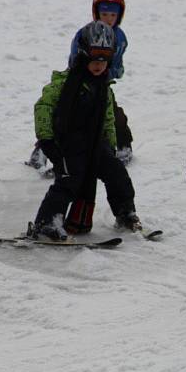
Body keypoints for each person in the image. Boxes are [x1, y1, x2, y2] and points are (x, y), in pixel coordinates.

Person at [30, 21, 142, 241]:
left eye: (104, 60)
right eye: (94, 59)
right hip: (69, 145)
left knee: (117, 174)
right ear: (81, 56)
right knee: (68, 180)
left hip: (95, 144)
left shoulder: (103, 88)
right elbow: (42, 107)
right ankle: (46, 222)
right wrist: (46, 140)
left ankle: (125, 213)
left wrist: (110, 144)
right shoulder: (64, 84)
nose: (99, 65)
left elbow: (108, 118)